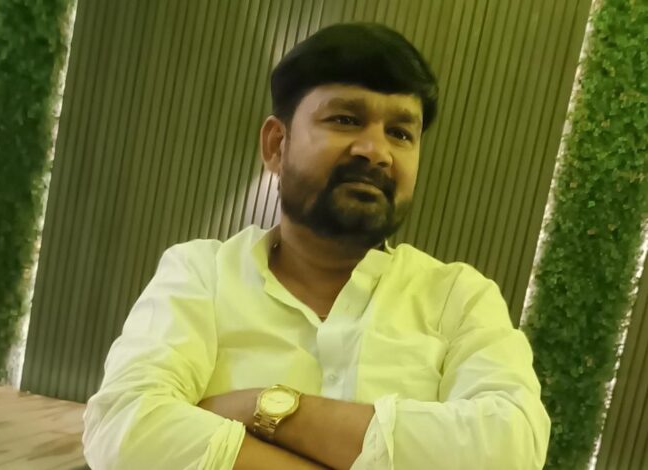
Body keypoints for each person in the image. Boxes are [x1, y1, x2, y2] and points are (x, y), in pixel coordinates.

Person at [82, 22, 551, 470]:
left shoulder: (458, 298)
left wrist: (264, 407)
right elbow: (123, 431)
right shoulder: (201, 274)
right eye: (346, 120)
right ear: (276, 145)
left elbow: (512, 447)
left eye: (400, 133)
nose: (376, 151)